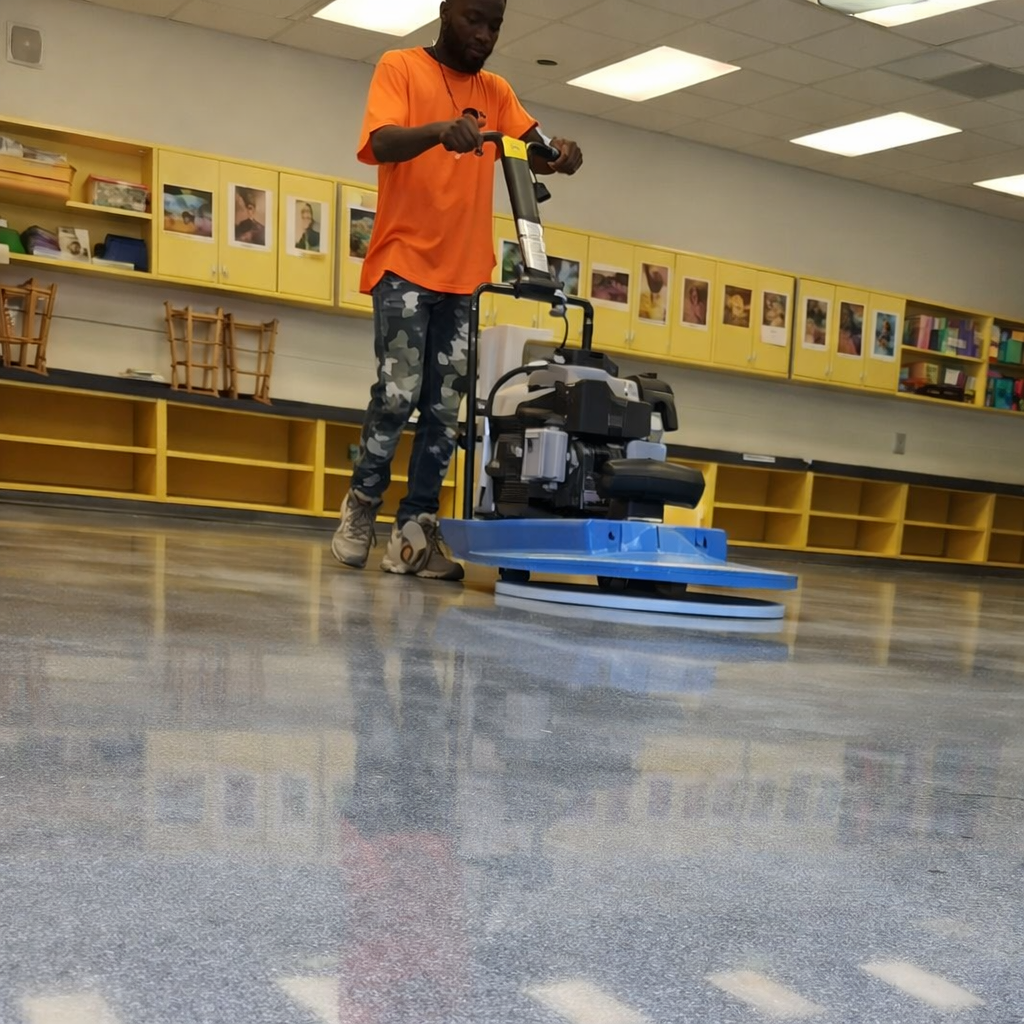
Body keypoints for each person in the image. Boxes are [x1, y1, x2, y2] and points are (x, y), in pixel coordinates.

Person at [331, 0, 583, 581]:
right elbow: (382, 142)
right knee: (397, 395)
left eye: (495, 25)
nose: (485, 35)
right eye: (474, 20)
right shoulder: (400, 66)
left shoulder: (497, 91)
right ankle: (362, 506)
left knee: (445, 411)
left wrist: (564, 157)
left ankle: (415, 531)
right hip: (404, 263)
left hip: (466, 275)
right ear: (445, 11)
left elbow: (538, 151)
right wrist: (438, 131)